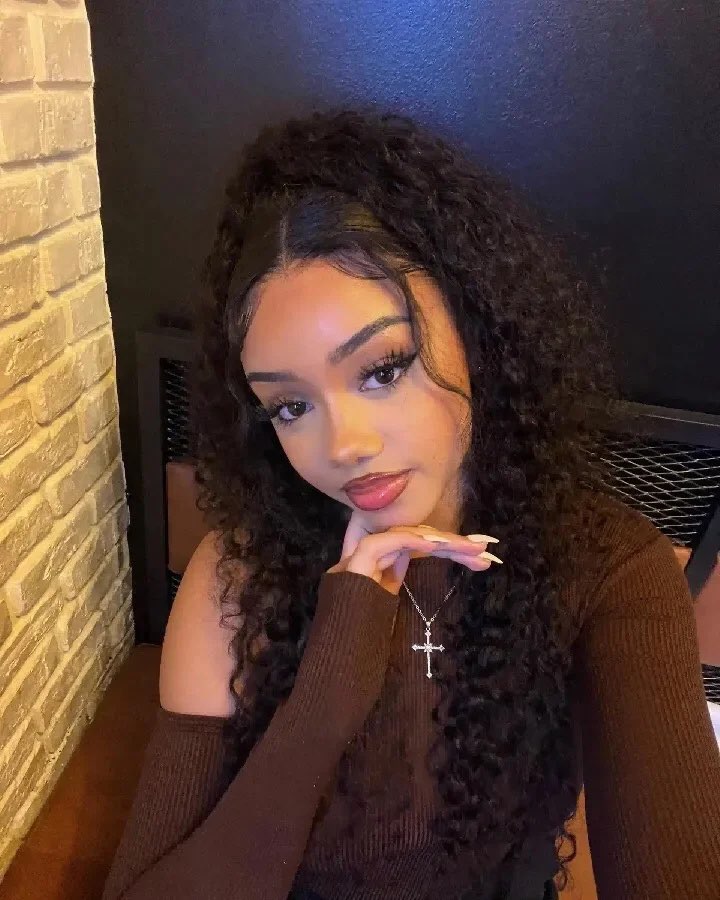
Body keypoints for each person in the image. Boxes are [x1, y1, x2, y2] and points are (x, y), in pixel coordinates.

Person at [101, 108, 720, 900]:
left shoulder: (607, 570)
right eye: (290, 406)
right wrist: (328, 689)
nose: (344, 444)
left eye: (383, 368)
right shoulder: (238, 576)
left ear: (476, 323)